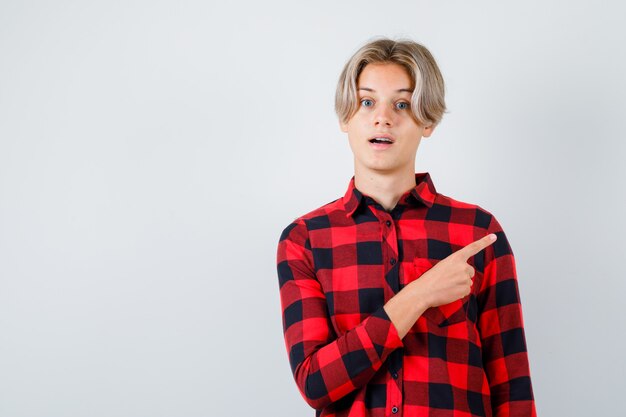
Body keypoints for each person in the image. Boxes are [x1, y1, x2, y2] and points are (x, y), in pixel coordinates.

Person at [276, 37, 536, 417]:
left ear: (427, 120)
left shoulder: (478, 232)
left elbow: (511, 383)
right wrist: (419, 296)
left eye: (402, 104)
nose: (383, 117)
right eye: (367, 102)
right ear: (345, 118)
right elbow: (316, 383)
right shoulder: (306, 240)